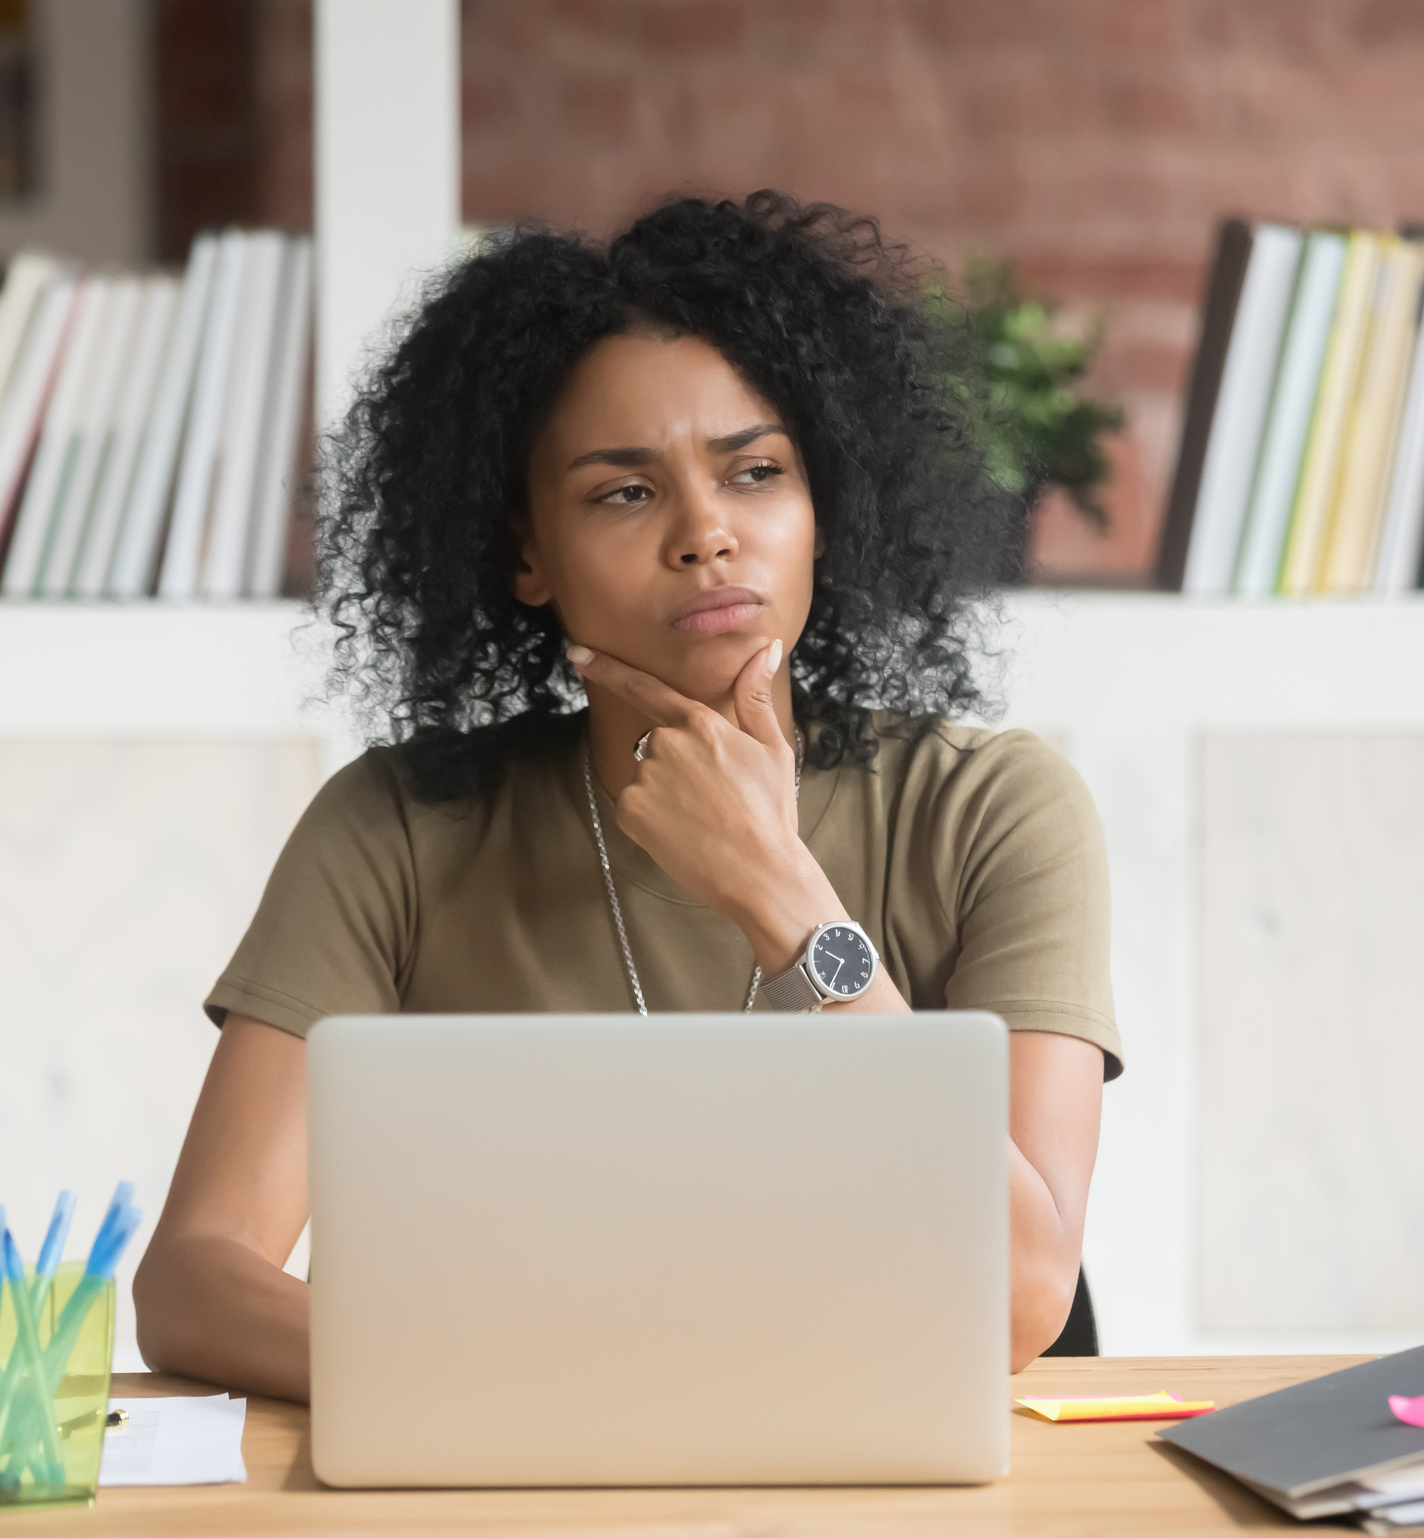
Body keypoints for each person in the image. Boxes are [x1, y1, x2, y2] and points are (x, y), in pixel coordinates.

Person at [133, 191, 1122, 1402]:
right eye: (624, 491)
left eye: (756, 472)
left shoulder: (995, 808)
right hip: (517, 1478)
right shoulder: (395, 827)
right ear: (526, 555)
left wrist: (779, 891)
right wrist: (513, 1389)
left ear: (826, 508)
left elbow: (1025, 1294)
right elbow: (193, 1278)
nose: (707, 535)